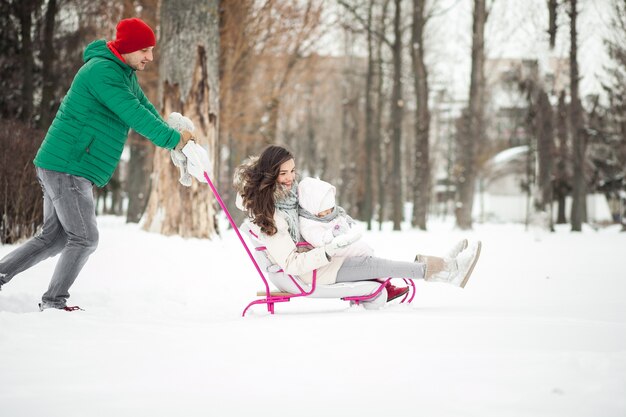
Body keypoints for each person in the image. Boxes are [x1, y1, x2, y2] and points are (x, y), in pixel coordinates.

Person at [0, 18, 194, 311]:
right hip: (68, 166)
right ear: (127, 48)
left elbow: (145, 108)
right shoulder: (102, 72)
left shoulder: (123, 71)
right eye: (144, 50)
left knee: (54, 238)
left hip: (66, 165)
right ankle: (54, 302)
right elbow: (134, 115)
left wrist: (172, 137)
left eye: (151, 50)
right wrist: (173, 140)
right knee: (85, 238)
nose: (149, 57)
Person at [233, 145, 482, 305]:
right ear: (270, 175)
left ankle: (442, 267)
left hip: (319, 261)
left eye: (293, 171)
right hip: (308, 272)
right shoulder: (271, 217)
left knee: (370, 259)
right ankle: (447, 270)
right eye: (283, 173)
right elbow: (290, 264)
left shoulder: (291, 199)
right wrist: (328, 250)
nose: (290, 179)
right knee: (372, 264)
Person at [297, 176, 411, 301]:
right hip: (326, 251)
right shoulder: (307, 223)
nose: (329, 213)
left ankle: (378, 281)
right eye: (325, 210)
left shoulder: (321, 215)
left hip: (334, 247)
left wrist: (341, 226)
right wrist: (333, 233)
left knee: (365, 251)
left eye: (331, 209)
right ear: (312, 206)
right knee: (363, 250)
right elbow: (319, 240)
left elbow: (337, 222)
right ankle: (384, 283)